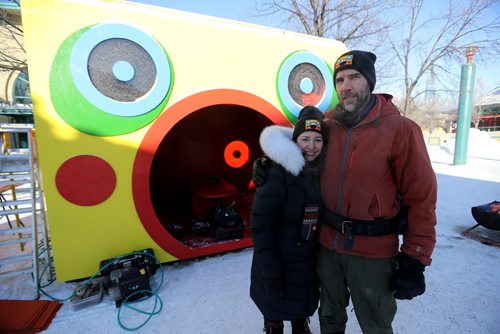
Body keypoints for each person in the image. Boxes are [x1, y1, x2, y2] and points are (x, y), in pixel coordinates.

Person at [253, 50, 437, 334]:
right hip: (327, 247)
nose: (346, 86)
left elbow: (421, 199)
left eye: (355, 77)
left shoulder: (400, 130)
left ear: (370, 81)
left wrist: (415, 257)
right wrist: (270, 162)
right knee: (329, 317)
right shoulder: (328, 125)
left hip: (373, 254)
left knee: (375, 324)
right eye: (339, 79)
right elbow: (302, 147)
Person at [250, 106, 327, 334]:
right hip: (277, 261)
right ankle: (273, 325)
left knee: (299, 310)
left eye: (317, 139)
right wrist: (272, 273)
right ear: (295, 140)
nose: (311, 146)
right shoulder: (277, 172)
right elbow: (261, 226)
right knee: (275, 311)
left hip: (304, 263)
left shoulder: (321, 171)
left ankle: (300, 324)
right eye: (305, 139)